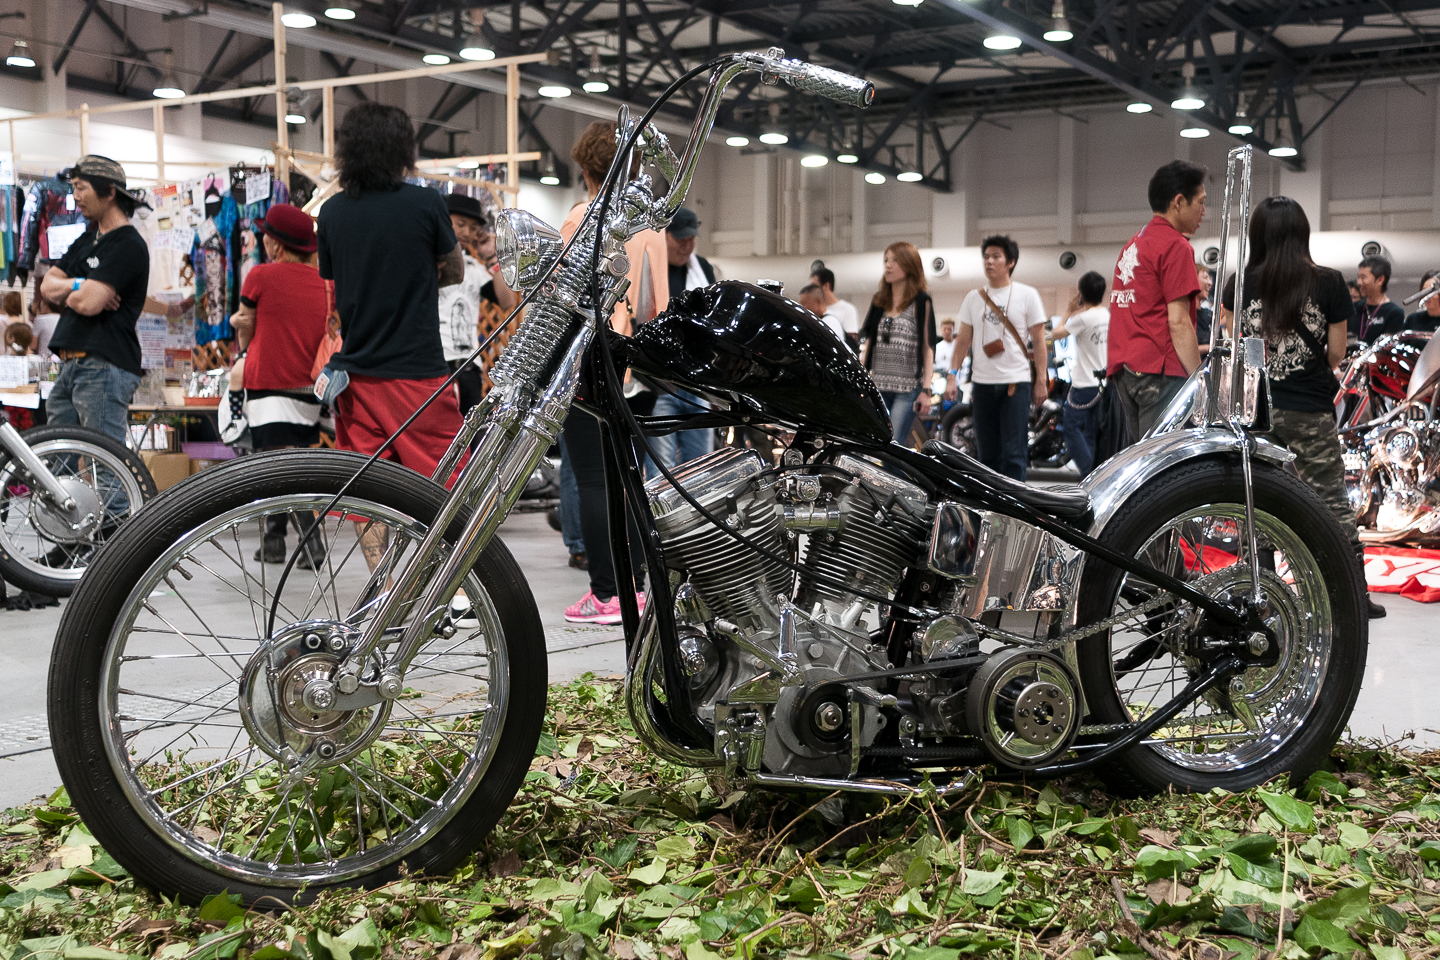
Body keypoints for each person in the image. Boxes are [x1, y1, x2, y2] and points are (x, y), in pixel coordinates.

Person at [1219, 196, 1385, 620]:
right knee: (1330, 496)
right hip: (1310, 406)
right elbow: (1334, 353)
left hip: (1256, 408)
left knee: (1257, 499)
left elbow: (1237, 349)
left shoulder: (1239, 283)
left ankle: (1262, 596)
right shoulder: (1329, 282)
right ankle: (1353, 595)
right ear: (1302, 233)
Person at [317, 102, 465, 487]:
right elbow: (455, 270)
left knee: (367, 495)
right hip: (418, 375)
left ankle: (380, 554)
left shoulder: (331, 214)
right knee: (447, 485)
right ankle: (441, 552)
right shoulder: (426, 203)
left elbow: (335, 288)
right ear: (403, 150)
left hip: (356, 377)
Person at [558, 120, 666, 623]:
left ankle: (606, 594)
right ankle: (638, 588)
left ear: (585, 169)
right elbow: (657, 309)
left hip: (586, 363)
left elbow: (559, 300)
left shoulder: (581, 217)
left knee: (594, 481)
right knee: (630, 480)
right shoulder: (652, 231)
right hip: (636, 369)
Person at [229, 203, 329, 566]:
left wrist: (239, 339)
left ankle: (311, 542)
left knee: (275, 466)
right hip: (309, 386)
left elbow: (246, 324)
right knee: (293, 460)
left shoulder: (260, 276)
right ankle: (273, 542)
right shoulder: (327, 284)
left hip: (267, 380)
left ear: (275, 244)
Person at [37, 156, 150, 443]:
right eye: (73, 188)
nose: (75, 197)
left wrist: (75, 291)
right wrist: (80, 283)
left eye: (81, 187)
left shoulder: (128, 244)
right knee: (58, 462)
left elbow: (88, 304)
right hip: (69, 364)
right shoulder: (86, 241)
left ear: (110, 192)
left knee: (103, 465)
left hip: (103, 365)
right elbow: (46, 288)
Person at [1105, 160, 1207, 442]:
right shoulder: (1176, 245)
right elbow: (1178, 321)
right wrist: (1200, 381)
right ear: (1178, 202)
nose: (1203, 212)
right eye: (1200, 202)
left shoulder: (1135, 242)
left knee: (1141, 464)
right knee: (1163, 471)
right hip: (1158, 371)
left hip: (1126, 370)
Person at [944, 235, 1047, 480]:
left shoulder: (1027, 295)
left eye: (996, 257)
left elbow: (1039, 340)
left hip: (1016, 383)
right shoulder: (973, 298)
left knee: (1014, 453)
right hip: (982, 385)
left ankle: (1016, 508)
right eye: (986, 257)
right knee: (987, 455)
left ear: (1010, 262)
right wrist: (951, 375)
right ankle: (990, 509)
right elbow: (963, 341)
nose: (989, 261)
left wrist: (1041, 379)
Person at [649, 206, 715, 478]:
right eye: (680, 239)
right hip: (661, 384)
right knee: (661, 470)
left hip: (696, 384)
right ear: (664, 235)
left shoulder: (704, 270)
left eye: (691, 239)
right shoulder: (650, 268)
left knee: (702, 468)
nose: (687, 246)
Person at [437, 193, 516, 418]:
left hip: (470, 365)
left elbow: (507, 300)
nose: (467, 233)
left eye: (473, 228)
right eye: (460, 224)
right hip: (438, 363)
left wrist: (491, 257)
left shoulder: (473, 267)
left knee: (470, 433)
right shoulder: (429, 263)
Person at [860, 242, 938, 447]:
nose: (888, 265)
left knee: (892, 446)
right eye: (886, 260)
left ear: (909, 265)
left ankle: (905, 479)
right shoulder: (879, 301)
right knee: (877, 445)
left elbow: (928, 346)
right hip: (879, 386)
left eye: (895, 260)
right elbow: (869, 342)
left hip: (907, 388)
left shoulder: (921, 301)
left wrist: (927, 389)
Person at [1048, 270, 1109, 478]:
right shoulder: (1107, 315)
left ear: (1081, 293)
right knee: (1092, 433)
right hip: (1103, 383)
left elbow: (1055, 335)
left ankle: (1089, 472)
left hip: (1083, 384)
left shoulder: (1082, 318)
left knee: (1071, 430)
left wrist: (1068, 309)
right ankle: (1095, 476)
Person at [1351, 255, 1403, 344]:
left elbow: (1386, 349)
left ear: (1380, 280)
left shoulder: (1394, 313)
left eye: (1363, 277)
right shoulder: (1352, 308)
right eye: (1358, 277)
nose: (1359, 282)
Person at [811, 266, 860, 352]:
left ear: (826, 285)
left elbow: (852, 342)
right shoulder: (816, 311)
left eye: (815, 286)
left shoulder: (847, 309)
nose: (812, 291)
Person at [1195, 264, 1215, 351]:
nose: (1210, 283)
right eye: (1206, 278)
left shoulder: (1210, 315)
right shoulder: (1184, 315)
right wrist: (1209, 348)